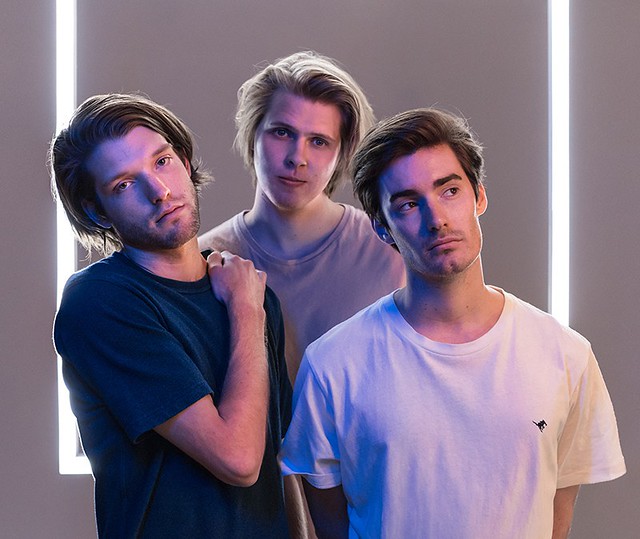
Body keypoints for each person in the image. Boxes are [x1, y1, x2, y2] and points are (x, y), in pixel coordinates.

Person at [280, 108, 626, 538]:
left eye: (450, 190)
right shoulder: (333, 364)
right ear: (382, 228)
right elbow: (331, 522)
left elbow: (557, 513)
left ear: (479, 196)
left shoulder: (565, 354)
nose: (437, 219)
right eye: (408, 204)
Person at [50, 93, 292, 538]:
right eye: (124, 184)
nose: (159, 191)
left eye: (162, 162)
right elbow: (238, 459)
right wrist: (246, 313)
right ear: (96, 211)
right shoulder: (100, 302)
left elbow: (276, 458)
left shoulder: (252, 295)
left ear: (184, 160)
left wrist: (249, 307)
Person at [199, 51, 405, 384]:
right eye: (282, 132)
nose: (298, 157)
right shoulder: (202, 260)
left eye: (319, 141)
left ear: (342, 155)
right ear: (253, 134)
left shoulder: (390, 255)